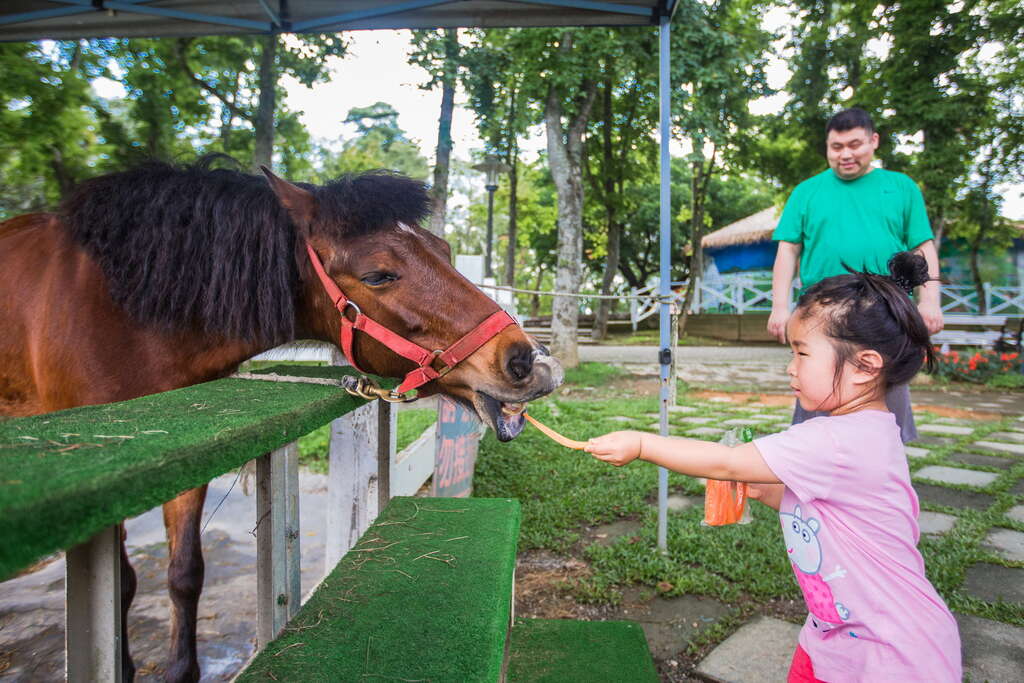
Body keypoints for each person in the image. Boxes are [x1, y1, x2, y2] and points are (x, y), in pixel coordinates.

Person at [586, 253, 961, 683]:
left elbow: (726, 462)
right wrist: (772, 493)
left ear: (864, 367)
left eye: (802, 353)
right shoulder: (870, 430)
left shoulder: (833, 440)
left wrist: (641, 443)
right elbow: (844, 512)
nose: (790, 367)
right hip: (837, 635)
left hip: (890, 655)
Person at [767, 107, 943, 443]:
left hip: (886, 310)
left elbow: (923, 247)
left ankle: (882, 466)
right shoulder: (806, 191)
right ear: (827, 147)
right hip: (822, 310)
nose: (845, 154)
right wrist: (779, 306)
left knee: (885, 393)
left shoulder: (901, 187)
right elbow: (787, 250)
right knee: (816, 389)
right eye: (836, 147)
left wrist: (930, 302)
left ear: (873, 141)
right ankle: (813, 468)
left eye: (855, 144)